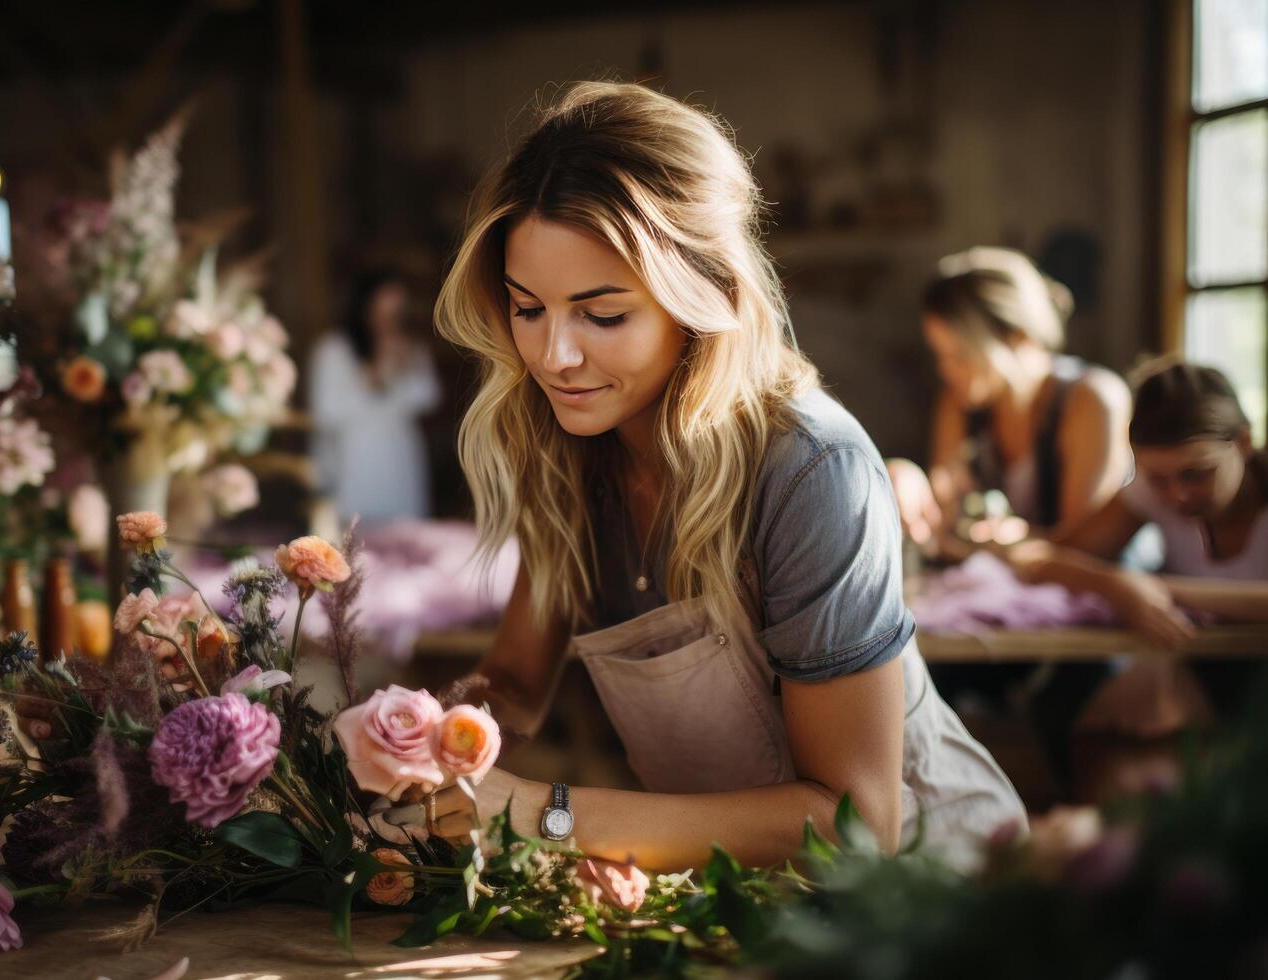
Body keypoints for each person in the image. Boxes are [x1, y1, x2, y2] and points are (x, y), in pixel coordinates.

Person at [393, 81, 1024, 873]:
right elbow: (517, 681)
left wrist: (543, 813)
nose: (554, 357)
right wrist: (420, 739)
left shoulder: (813, 470)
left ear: (705, 298)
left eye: (604, 314)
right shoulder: (564, 450)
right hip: (741, 900)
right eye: (528, 308)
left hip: (927, 902)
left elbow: (855, 825)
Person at [1009, 361, 1268, 749]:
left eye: (1198, 473)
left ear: (1245, 442)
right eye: (1157, 479)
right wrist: (1113, 585)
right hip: (1206, 672)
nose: (1177, 494)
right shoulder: (1151, 492)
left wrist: (1158, 588)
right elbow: (1035, 558)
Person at [887, 248, 1132, 551]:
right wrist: (904, 475)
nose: (945, 371)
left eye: (961, 356)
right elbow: (943, 521)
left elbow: (1086, 549)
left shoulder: (1092, 401)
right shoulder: (961, 400)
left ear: (1018, 337)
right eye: (941, 355)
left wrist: (1011, 540)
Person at [309, 271, 441, 526]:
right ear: (363, 309)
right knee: (352, 540)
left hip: (399, 457)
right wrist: (376, 374)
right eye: (381, 311)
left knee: (404, 533)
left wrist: (404, 365)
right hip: (351, 460)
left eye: (396, 313)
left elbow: (428, 396)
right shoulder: (333, 350)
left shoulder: (411, 349)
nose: (387, 322)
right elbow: (326, 412)